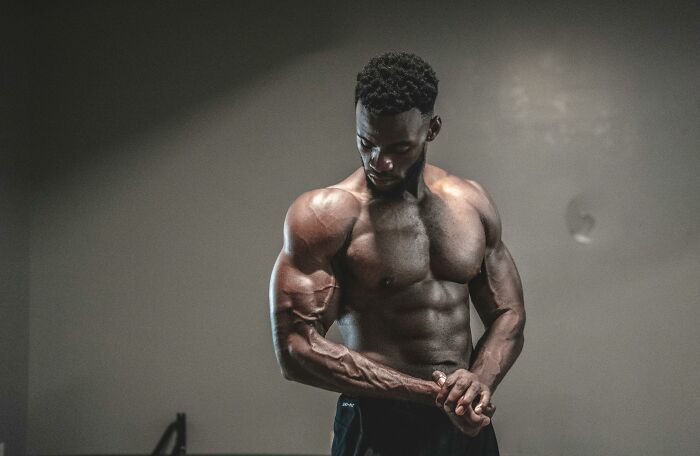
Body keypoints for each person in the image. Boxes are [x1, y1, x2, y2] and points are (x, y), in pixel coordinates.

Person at [269, 52, 525, 456]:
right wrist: (434, 394)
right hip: (376, 425)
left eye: (399, 147)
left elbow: (508, 313)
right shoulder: (326, 216)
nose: (379, 162)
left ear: (432, 129)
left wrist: (479, 381)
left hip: (461, 424)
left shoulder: (470, 203)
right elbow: (295, 349)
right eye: (365, 143)